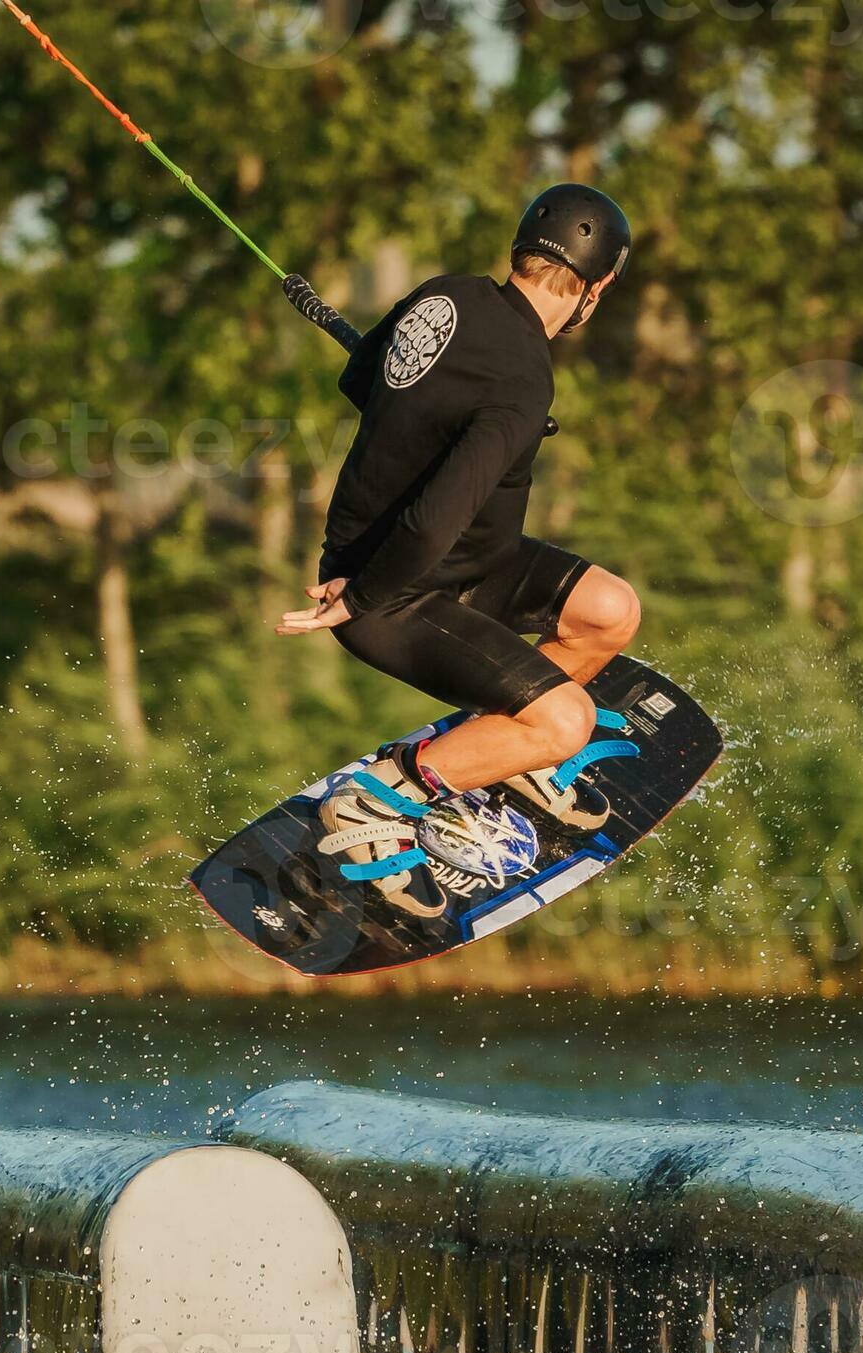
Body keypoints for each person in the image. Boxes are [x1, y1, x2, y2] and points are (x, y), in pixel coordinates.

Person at [271, 184, 642, 921]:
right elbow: (436, 520)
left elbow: (360, 378)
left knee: (609, 612)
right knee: (566, 720)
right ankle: (379, 803)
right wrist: (362, 598)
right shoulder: (523, 380)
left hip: (473, 563)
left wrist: (433, 412)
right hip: (401, 592)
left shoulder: (448, 294)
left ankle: (518, 754)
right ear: (594, 289)